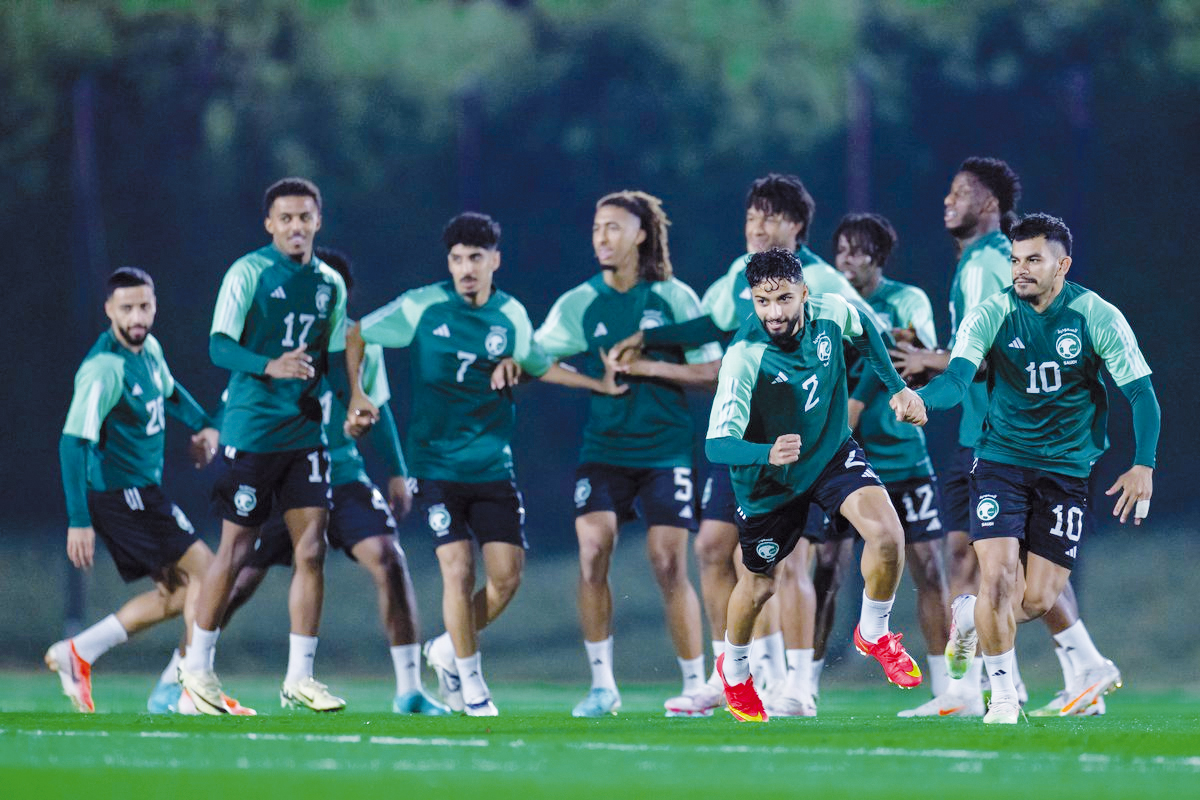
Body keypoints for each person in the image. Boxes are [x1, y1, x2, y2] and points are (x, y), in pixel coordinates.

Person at [611, 174, 888, 717]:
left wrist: (853, 404)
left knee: (792, 561)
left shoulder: (821, 279)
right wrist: (649, 338)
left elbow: (875, 334)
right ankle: (735, 671)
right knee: (713, 548)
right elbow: (711, 325)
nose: (757, 227)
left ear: (797, 226)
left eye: (770, 217)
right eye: (751, 217)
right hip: (747, 442)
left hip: (802, 447)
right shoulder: (741, 276)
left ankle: (798, 684)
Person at [344, 212, 625, 717]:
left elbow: (539, 364)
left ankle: (446, 648)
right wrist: (358, 393)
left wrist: (596, 384)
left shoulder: (510, 314)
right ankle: (473, 685)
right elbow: (357, 334)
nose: (466, 269)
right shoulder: (422, 305)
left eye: (475, 258)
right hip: (435, 466)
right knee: (457, 570)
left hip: (493, 467)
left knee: (506, 579)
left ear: (495, 261)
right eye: (457, 259)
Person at [917, 213, 1159, 724]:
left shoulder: (1096, 315)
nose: (1020, 270)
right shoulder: (992, 312)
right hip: (1001, 461)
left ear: (1062, 266)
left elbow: (1141, 394)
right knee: (999, 576)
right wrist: (920, 399)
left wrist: (1144, 465)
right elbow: (956, 380)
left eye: (1033, 260)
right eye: (1014, 260)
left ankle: (967, 616)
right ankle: (1003, 698)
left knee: (1038, 598)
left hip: (1066, 472)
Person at [219, 248, 448, 715]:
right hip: (283, 475)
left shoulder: (360, 344)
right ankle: (181, 673)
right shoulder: (275, 338)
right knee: (238, 579)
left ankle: (409, 690)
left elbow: (375, 407)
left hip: (341, 475)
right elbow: (238, 401)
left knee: (389, 558)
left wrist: (398, 470)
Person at [706, 247, 927, 722]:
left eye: (784, 298)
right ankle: (735, 670)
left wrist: (898, 388)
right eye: (763, 302)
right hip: (769, 480)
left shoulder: (832, 312)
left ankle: (874, 631)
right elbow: (716, 445)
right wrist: (765, 452)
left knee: (888, 536)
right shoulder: (744, 356)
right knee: (760, 585)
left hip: (829, 453)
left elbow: (867, 332)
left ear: (804, 292)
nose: (774, 312)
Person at [532, 191, 721, 718]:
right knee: (593, 550)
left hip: (666, 449)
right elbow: (533, 356)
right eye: (597, 228)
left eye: (613, 227)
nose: (602, 237)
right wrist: (589, 381)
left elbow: (713, 370)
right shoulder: (580, 302)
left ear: (640, 235)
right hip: (605, 448)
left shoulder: (674, 298)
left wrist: (648, 366)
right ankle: (601, 687)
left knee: (667, 561)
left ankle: (695, 685)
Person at [179, 177, 349, 715]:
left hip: (305, 435)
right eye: (286, 218)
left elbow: (332, 359)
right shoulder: (247, 272)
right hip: (252, 432)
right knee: (236, 550)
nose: (297, 226)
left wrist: (354, 403)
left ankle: (300, 678)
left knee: (312, 550)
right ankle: (196, 667)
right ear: (270, 224)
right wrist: (269, 365)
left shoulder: (330, 284)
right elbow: (218, 346)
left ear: (318, 221)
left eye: (305, 217)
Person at [51, 267, 230, 714]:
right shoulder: (103, 368)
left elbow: (169, 391)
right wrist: (78, 520)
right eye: (126, 308)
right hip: (121, 494)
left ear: (154, 306)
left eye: (144, 306)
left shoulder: (149, 350)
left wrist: (204, 423)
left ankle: (80, 652)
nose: (137, 316)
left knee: (178, 594)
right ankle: (190, 688)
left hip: (142, 491)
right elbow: (73, 443)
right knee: (210, 575)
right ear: (109, 311)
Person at [818, 213, 960, 716]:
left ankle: (947, 689)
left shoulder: (906, 299)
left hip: (902, 455)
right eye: (841, 251)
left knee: (930, 569)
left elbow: (906, 355)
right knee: (826, 568)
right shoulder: (828, 301)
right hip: (844, 460)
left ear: (877, 256)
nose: (847, 260)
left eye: (857, 251)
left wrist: (858, 396)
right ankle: (802, 687)